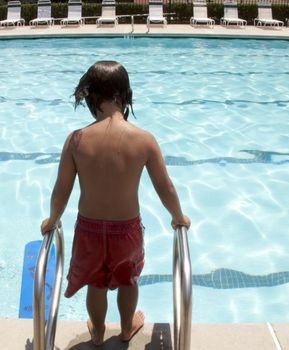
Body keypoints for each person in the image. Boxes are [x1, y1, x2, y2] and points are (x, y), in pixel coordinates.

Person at [41, 61, 190, 346]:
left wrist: (52, 219)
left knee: (96, 284)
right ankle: (125, 328)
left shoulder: (76, 140)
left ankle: (97, 332)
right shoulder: (144, 140)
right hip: (127, 231)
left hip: (89, 230)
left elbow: (62, 190)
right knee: (128, 280)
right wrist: (179, 216)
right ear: (124, 95)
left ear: (90, 96)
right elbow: (165, 187)